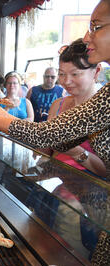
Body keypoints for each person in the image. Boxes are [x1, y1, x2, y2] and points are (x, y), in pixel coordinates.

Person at [0, 0, 110, 266]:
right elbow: (43, 139)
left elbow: (42, 133)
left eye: (96, 26)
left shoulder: (104, 99)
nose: (89, 35)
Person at [42, 38, 105, 177]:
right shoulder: (57, 105)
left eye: (75, 74)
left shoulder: (104, 108)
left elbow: (106, 171)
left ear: (96, 71)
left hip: (89, 190)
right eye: (62, 74)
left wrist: (75, 150)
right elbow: (47, 151)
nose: (66, 81)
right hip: (56, 184)